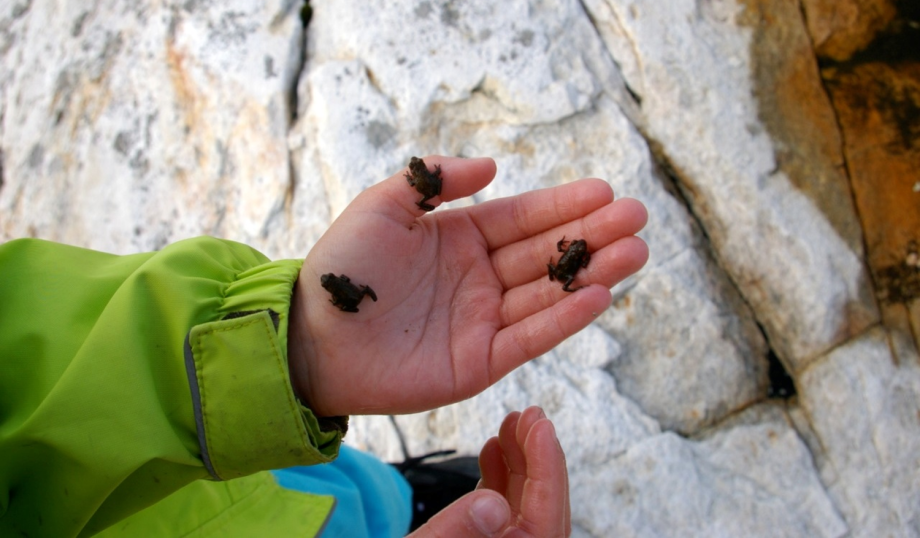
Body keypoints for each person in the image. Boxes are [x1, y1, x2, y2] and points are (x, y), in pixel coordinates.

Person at [0, 156, 649, 537]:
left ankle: (396, 502)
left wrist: (288, 354)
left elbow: (30, 336)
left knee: (325, 489)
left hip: (189, 470)